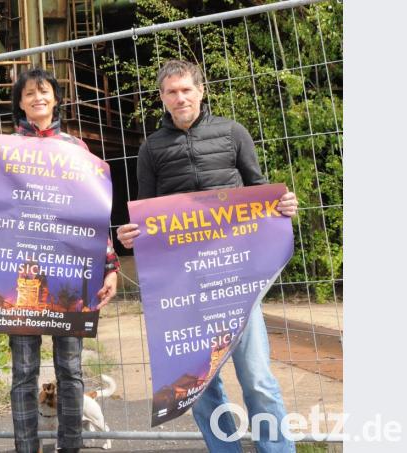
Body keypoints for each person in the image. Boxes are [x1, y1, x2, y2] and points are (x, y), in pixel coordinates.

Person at [116, 59, 298, 453]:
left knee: (258, 379)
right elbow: (146, 214)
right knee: (197, 385)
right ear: (162, 98)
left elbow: (259, 192)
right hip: (183, 286)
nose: (180, 98)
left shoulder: (233, 133)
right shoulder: (151, 148)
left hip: (235, 279)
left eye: (186, 89)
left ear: (201, 91)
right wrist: (130, 236)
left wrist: (282, 206)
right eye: (171, 92)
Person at [0, 68, 120, 453]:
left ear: (56, 99)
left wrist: (110, 266)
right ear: (20, 102)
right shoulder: (2, 149)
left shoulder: (75, 148)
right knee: (23, 372)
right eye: (29, 93)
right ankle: (26, 447)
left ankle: (71, 447)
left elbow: (92, 213)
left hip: (70, 275)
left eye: (44, 91)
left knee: (71, 370)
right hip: (18, 277)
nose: (38, 98)